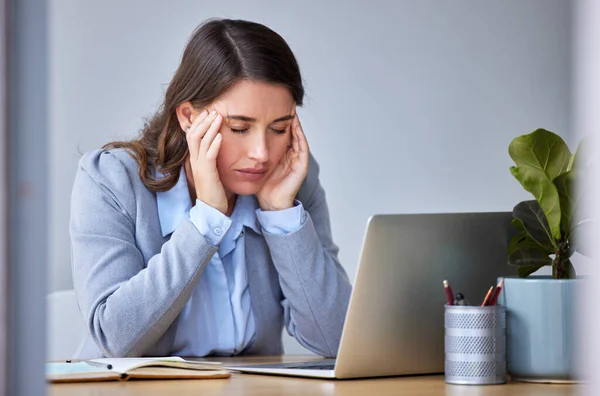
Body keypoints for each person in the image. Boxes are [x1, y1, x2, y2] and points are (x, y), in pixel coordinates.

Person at [70, 18, 351, 359]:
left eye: (279, 129)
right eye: (239, 128)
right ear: (188, 116)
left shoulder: (291, 182)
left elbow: (337, 340)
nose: (261, 154)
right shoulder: (111, 180)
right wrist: (206, 220)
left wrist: (283, 216)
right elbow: (116, 338)